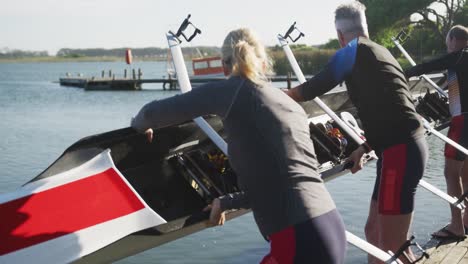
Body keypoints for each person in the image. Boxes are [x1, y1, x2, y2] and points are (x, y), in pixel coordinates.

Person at [131, 28, 346, 263]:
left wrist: (139, 126)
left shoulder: (231, 92)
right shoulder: (288, 103)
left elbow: (151, 113)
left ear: (224, 66)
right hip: (330, 226)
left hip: (297, 238)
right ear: (264, 64)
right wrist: (227, 202)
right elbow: (283, 181)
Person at [285, 2, 427, 263]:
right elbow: (390, 110)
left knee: (394, 247)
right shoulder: (380, 51)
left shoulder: (351, 51)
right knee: (373, 234)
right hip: (402, 148)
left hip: (400, 152)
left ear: (340, 34)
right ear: (365, 27)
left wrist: (259, 95)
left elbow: (302, 93)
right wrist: (364, 148)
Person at [406, 25, 468, 239]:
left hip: (462, 121)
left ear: (452, 40)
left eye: (447, 40)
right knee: (465, 172)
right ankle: (466, 218)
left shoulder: (458, 57)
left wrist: (400, 74)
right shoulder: (462, 60)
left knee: (450, 173)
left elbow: (426, 66)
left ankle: (456, 226)